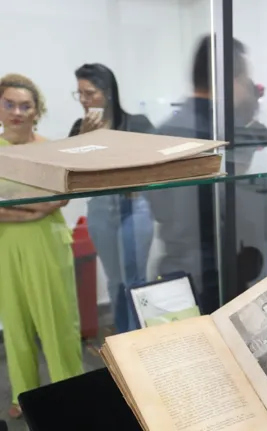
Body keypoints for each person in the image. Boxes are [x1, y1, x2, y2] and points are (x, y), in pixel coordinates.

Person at [144, 36, 267, 314]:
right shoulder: (231, 136)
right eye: (245, 79)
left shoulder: (164, 131)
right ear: (232, 81)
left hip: (173, 282)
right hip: (221, 288)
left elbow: (160, 206)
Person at [0, 74, 84, 419]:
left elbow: (58, 202)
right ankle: (25, 396)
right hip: (5, 247)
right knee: (15, 324)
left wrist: (12, 211)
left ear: (37, 111)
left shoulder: (50, 150)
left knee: (58, 322)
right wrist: (30, 210)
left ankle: (71, 392)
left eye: (25, 105)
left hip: (47, 243)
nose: (17, 111)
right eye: (9, 104)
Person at [68, 63, 156, 333]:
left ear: (108, 93)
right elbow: (70, 174)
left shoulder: (136, 123)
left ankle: (139, 338)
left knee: (136, 277)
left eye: (90, 93)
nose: (84, 100)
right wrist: (83, 138)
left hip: (135, 205)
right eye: (79, 94)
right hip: (100, 209)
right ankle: (122, 338)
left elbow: (159, 162)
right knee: (115, 279)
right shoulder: (78, 128)